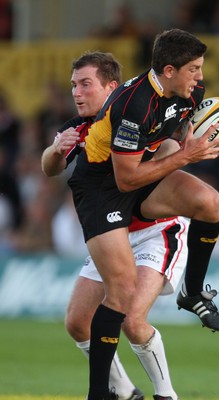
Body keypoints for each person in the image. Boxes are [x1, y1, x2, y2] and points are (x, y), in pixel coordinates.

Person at [68, 29, 219, 400]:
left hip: (141, 172)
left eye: (200, 68)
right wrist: (187, 155)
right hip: (103, 188)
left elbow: (178, 134)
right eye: (193, 69)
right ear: (168, 70)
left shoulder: (189, 92)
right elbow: (125, 180)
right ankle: (99, 393)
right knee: (120, 293)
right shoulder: (134, 103)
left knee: (210, 203)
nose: (199, 77)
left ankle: (191, 292)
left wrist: (217, 143)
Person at [42, 50, 191, 400]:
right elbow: (50, 167)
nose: (76, 92)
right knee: (78, 321)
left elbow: (171, 145)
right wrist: (55, 151)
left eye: (85, 84)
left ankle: (167, 394)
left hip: (156, 230)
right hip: (114, 236)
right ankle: (124, 391)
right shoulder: (79, 128)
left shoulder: (139, 114)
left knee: (132, 321)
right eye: (73, 85)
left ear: (112, 86)